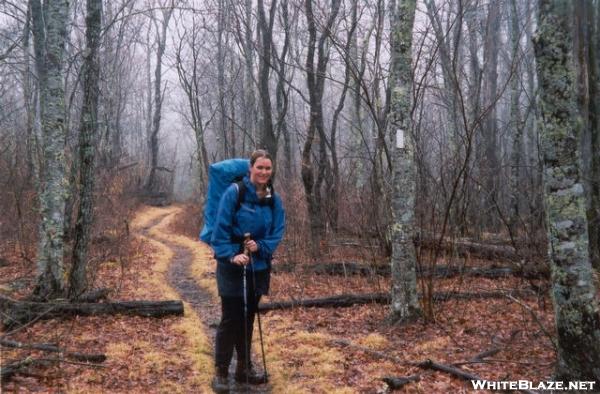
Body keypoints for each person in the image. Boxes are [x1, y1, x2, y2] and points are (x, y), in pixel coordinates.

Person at [210, 149, 285, 391]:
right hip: (232, 265)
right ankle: (221, 372)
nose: (264, 172)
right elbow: (219, 231)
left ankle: (244, 368)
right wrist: (232, 255)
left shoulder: (274, 198)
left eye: (268, 168)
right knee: (231, 317)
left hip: (259, 265)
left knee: (248, 317)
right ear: (250, 168)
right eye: (259, 167)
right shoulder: (235, 193)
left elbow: (277, 232)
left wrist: (260, 246)